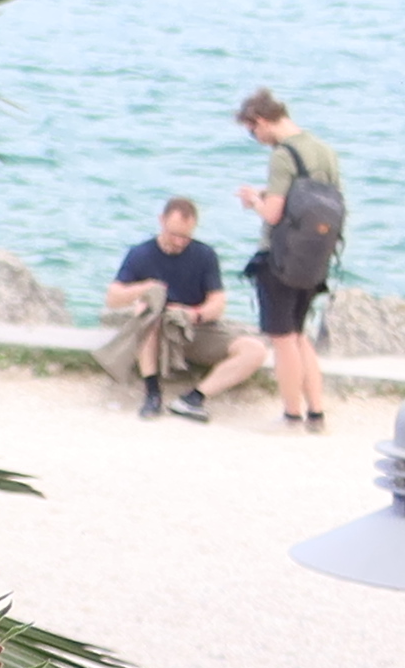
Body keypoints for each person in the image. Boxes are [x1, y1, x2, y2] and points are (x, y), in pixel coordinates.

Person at [198, 86, 347, 430]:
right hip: (315, 257)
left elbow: (274, 214)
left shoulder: (282, 155)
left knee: (282, 339)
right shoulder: (324, 150)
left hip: (280, 258)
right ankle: (316, 413)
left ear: (261, 120)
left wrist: (254, 200)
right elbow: (320, 199)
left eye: (253, 131)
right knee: (300, 336)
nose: (256, 138)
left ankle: (292, 414)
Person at [97, 199, 232, 417]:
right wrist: (146, 288)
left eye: (185, 237)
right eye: (173, 234)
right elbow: (113, 298)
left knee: (254, 350)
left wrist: (195, 315)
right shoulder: (140, 254)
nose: (179, 242)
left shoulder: (205, 255)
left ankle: (194, 398)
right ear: (161, 221)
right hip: (157, 332)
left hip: (192, 327)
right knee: (147, 314)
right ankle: (152, 392)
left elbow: (218, 302)